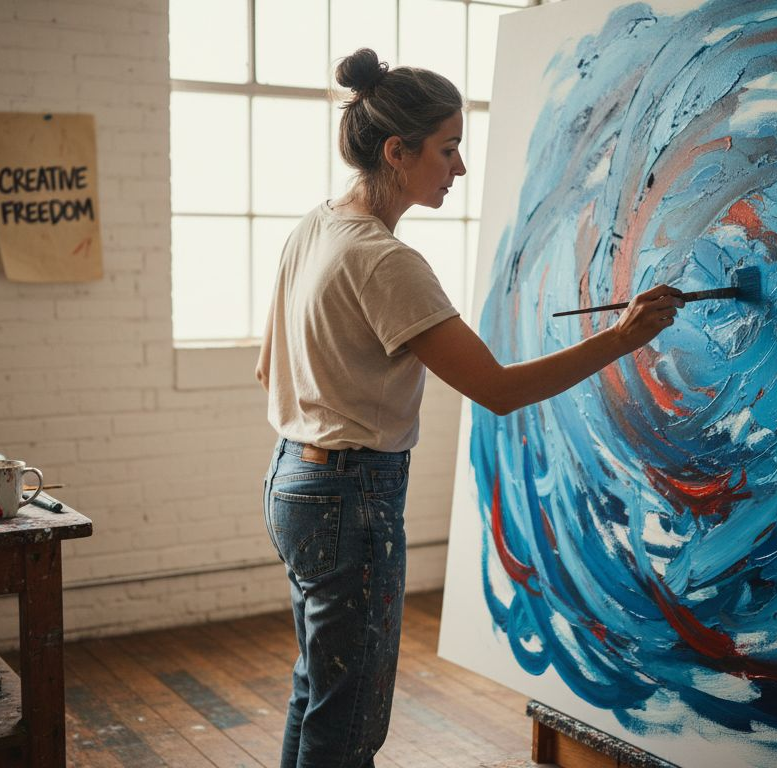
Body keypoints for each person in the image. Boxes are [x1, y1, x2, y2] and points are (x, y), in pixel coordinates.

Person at [256, 48, 683, 768]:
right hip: (347, 497)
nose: (459, 169)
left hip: (293, 482)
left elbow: (265, 365)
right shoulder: (385, 260)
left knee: (321, 691)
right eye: (447, 149)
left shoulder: (316, 227)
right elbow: (499, 390)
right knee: (351, 718)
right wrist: (621, 339)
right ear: (397, 151)